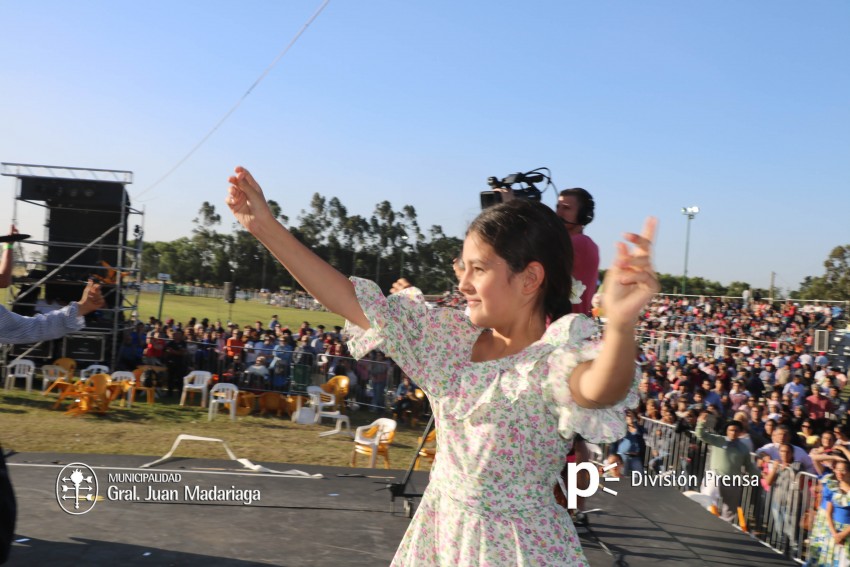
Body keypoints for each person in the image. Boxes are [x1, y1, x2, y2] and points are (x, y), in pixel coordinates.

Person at [226, 166, 658, 565]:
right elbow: (350, 299)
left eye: (479, 269)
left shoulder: (553, 358)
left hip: (518, 551)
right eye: (463, 267)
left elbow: (600, 388)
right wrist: (262, 225)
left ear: (529, 278)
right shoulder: (449, 343)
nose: (463, 283)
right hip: (440, 540)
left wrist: (620, 326)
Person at [695, 412, 761, 522]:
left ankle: (726, 528)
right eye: (731, 430)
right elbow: (701, 435)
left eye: (736, 431)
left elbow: (749, 465)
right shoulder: (718, 440)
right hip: (714, 476)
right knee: (708, 499)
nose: (733, 433)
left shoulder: (743, 448)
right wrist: (701, 423)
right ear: (727, 431)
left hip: (732, 480)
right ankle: (705, 521)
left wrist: (759, 475)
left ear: (740, 432)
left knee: (730, 509)